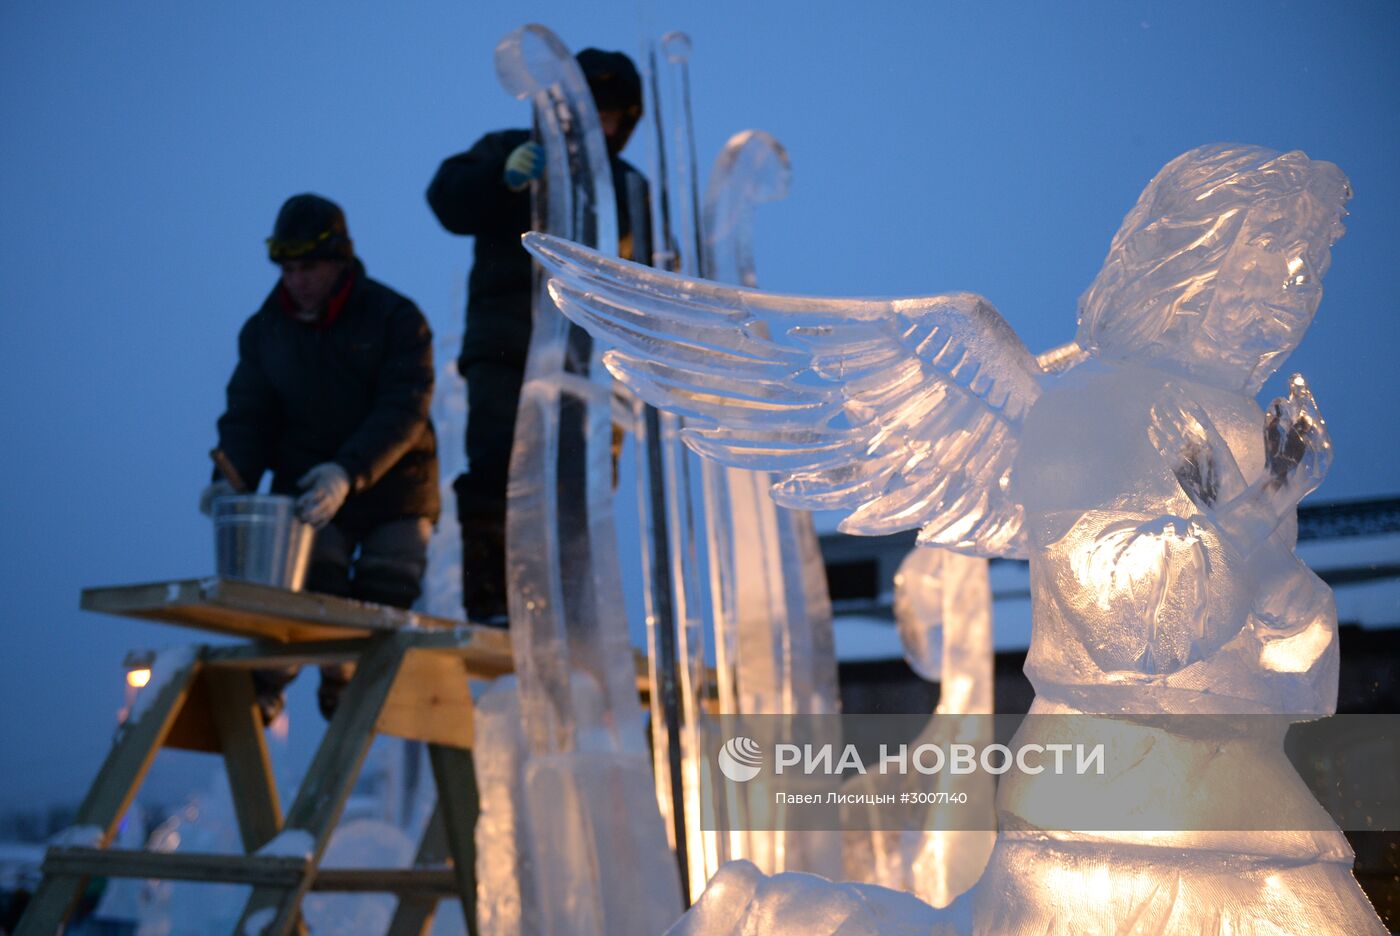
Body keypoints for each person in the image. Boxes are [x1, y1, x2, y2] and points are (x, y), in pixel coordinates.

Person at [427, 48, 649, 626]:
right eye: (587, 109)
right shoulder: (507, 150)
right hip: (504, 345)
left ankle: (571, 609)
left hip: (590, 360)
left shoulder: (629, 189)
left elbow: (653, 274)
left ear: (626, 122)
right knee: (497, 464)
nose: (597, 124)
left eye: (609, 114)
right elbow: (447, 199)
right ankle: (491, 602)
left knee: (583, 479)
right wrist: (502, 179)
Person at [201, 193, 440, 721]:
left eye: (308, 266)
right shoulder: (266, 332)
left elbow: (406, 408)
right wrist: (230, 480)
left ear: (339, 260)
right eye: (288, 268)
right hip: (309, 489)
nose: (297, 279)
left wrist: (349, 470)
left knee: (383, 602)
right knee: (305, 593)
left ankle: (350, 692)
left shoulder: (395, 318)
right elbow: (249, 414)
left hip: (396, 485)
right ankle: (266, 686)